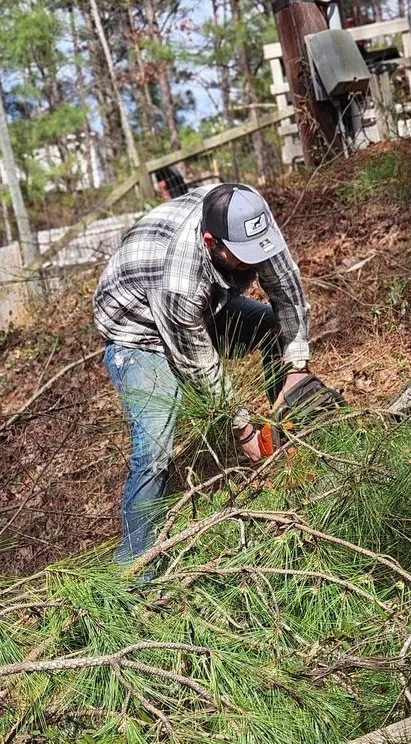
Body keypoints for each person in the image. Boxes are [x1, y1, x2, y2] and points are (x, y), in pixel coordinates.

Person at [93, 183, 311, 563]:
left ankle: (285, 438)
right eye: (242, 257)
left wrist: (296, 369)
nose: (254, 264)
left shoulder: (246, 217)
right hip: (139, 330)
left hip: (201, 301)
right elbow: (198, 361)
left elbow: (288, 294)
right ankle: (132, 569)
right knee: (155, 452)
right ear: (211, 242)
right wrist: (241, 427)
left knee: (270, 327)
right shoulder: (179, 278)